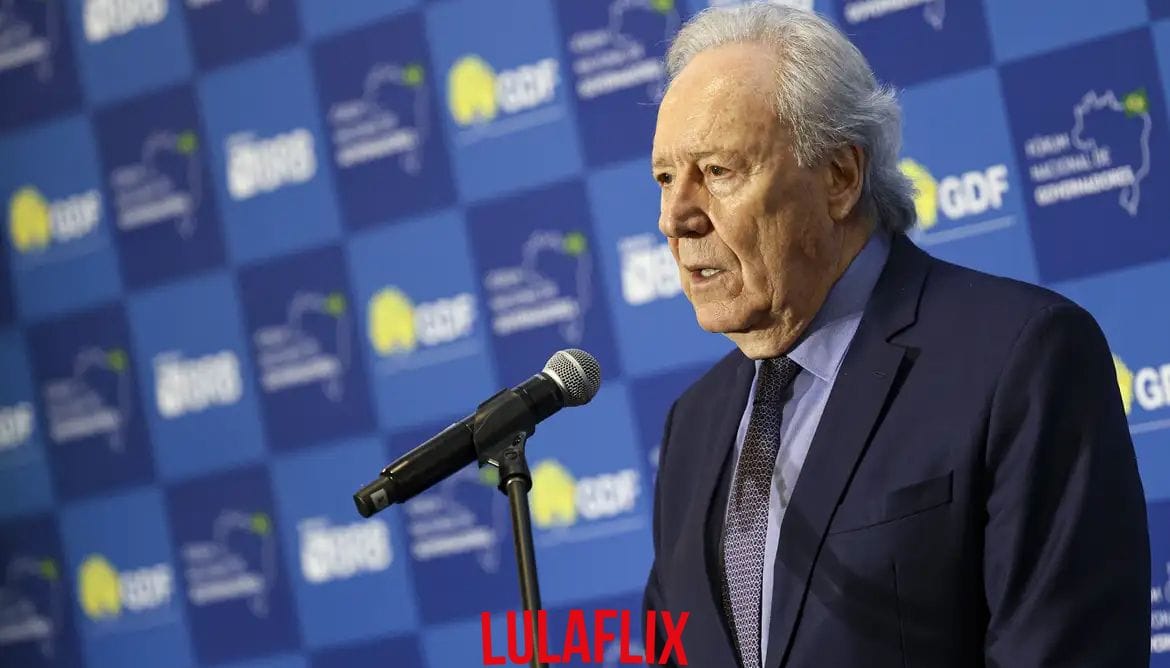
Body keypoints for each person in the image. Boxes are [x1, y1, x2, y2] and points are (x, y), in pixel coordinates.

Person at [641, 4, 1150, 667]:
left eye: (717, 171)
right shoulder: (692, 424)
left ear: (840, 177)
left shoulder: (1019, 359)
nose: (676, 216)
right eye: (665, 178)